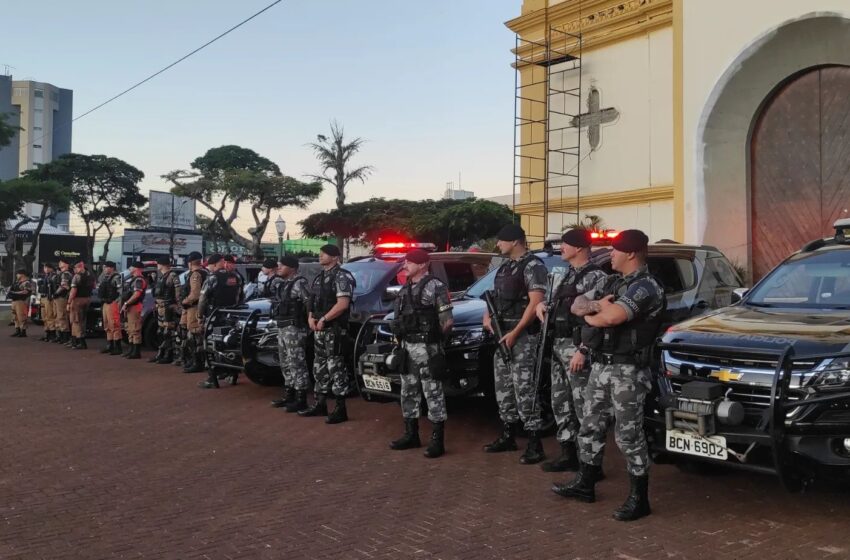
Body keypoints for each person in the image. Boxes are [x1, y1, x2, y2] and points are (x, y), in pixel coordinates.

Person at [552, 229, 665, 522]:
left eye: (614, 250)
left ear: (630, 254)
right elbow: (576, 303)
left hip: (628, 371)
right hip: (602, 366)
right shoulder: (615, 282)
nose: (610, 255)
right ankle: (586, 483)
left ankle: (639, 498)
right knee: (590, 424)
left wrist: (594, 313)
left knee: (628, 434)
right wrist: (595, 308)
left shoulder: (645, 287)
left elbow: (612, 317)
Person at [535, 229, 608, 472]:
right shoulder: (565, 275)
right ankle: (569, 454)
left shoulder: (596, 277)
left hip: (577, 347)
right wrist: (544, 306)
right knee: (560, 402)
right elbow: (556, 303)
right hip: (558, 345)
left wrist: (584, 350)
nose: (561, 248)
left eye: (565, 244)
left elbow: (599, 318)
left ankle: (591, 463)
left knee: (585, 407)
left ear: (578, 248)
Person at [483, 224, 548, 464]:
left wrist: (516, 332)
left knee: (525, 390)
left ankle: (534, 443)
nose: (498, 245)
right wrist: (487, 318)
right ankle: (508, 435)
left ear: (514, 242)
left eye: (501, 240)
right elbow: (493, 297)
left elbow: (535, 303)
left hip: (522, 338)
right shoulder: (505, 267)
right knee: (504, 389)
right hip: (502, 335)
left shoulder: (533, 266)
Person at [389, 249, 454, 458]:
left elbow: (447, 321)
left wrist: (435, 343)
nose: (405, 265)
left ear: (423, 265)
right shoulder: (405, 289)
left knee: (433, 393)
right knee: (408, 391)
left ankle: (438, 440)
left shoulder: (435, 287)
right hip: (407, 348)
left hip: (427, 348)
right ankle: (411, 434)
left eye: (410, 262)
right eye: (406, 261)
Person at [300, 244, 356, 424]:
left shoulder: (342, 276)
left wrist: (324, 318)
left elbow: (342, 304)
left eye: (324, 254)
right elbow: (312, 300)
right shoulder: (320, 277)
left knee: (336, 368)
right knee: (319, 366)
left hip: (334, 329)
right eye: (320, 253)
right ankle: (320, 404)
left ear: (335, 257)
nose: (320, 256)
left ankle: (340, 409)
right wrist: (311, 317)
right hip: (319, 329)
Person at [269, 256, 312, 412]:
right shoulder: (283, 284)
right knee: (285, 362)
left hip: (295, 329)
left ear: (292, 268)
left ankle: (301, 399)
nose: (278, 268)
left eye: (282, 266)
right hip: (282, 327)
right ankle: (289, 395)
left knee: (296, 363)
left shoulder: (299, 283)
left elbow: (309, 302)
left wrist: (310, 320)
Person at [197, 254, 242, 388]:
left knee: (212, 345)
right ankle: (232, 375)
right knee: (230, 344)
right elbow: (240, 295)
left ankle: (212, 378)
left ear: (216, 264)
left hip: (215, 317)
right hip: (232, 316)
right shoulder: (235, 277)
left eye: (210, 265)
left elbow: (203, 299)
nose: (209, 268)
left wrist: (199, 316)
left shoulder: (212, 278)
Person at [179, 252, 208, 374]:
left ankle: (198, 362)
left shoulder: (196, 274)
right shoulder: (205, 272)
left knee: (195, 334)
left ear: (190, 263)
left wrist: (185, 302)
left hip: (194, 307)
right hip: (199, 307)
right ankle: (194, 360)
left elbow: (195, 294)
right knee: (193, 334)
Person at [149, 256, 181, 364]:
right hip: (160, 306)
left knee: (168, 332)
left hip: (168, 306)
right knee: (161, 332)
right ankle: (161, 353)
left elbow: (178, 292)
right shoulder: (160, 276)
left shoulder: (172, 275)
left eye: (158, 264)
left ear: (161, 264)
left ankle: (169, 355)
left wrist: (177, 305)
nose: (157, 266)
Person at [121, 262, 148, 360]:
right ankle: (131, 349)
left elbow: (136, 294)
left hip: (135, 306)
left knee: (135, 329)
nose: (130, 268)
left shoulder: (139, 280)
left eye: (131, 267)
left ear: (136, 268)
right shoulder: (133, 279)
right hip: (130, 306)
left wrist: (127, 303)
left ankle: (136, 351)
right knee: (130, 329)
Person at [97, 261, 124, 355]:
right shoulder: (105, 277)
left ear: (111, 268)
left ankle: (117, 347)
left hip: (112, 303)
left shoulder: (116, 277)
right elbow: (99, 282)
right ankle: (110, 345)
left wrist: (116, 302)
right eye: (104, 267)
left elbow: (121, 292)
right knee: (107, 325)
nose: (104, 269)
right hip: (105, 303)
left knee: (114, 324)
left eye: (106, 267)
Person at [67, 259, 93, 349]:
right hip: (87, 299)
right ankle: (76, 341)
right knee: (82, 320)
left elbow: (73, 291)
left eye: (74, 268)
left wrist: (69, 302)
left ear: (79, 267)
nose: (74, 270)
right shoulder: (90, 275)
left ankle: (79, 341)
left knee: (76, 320)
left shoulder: (77, 276)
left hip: (77, 300)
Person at [52, 257, 74, 345]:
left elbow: (64, 286)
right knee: (57, 316)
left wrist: (56, 293)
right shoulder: (61, 273)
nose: (59, 264)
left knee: (62, 316)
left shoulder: (66, 274)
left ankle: (64, 336)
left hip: (62, 297)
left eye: (62, 262)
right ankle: (60, 335)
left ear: (66, 264)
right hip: (58, 297)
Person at [8, 269, 34, 337]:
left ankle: (23, 331)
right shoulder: (17, 282)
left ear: (22, 275)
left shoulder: (26, 282)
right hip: (14, 300)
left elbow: (26, 292)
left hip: (21, 301)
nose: (17, 275)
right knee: (15, 317)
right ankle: (17, 330)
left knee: (21, 316)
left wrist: (14, 293)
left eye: (18, 274)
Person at [38, 263, 57, 342]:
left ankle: (52, 334)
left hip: (49, 298)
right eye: (44, 267)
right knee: (44, 316)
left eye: (46, 267)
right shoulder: (46, 276)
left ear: (51, 268)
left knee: (49, 316)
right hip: (43, 297)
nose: (45, 269)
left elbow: (54, 288)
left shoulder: (53, 276)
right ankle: (47, 333)